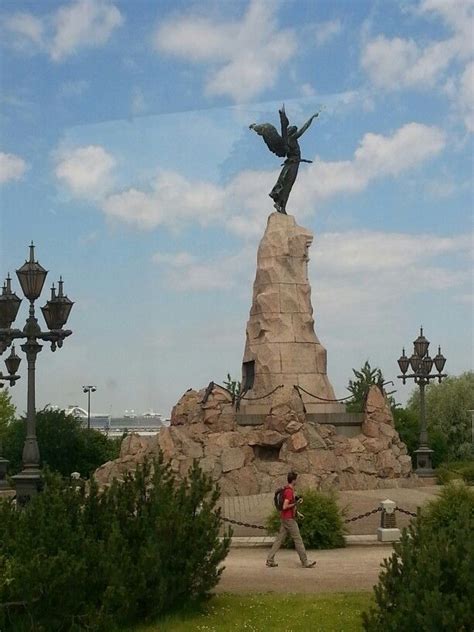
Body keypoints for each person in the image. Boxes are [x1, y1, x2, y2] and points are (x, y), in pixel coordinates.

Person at [266, 471, 316, 568]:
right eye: (296, 479)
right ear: (293, 480)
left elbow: (287, 507)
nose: (297, 481)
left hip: (285, 518)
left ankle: (270, 559)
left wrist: (297, 513)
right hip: (289, 519)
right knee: (298, 540)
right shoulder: (289, 491)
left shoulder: (286, 489)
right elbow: (285, 506)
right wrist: (296, 504)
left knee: (279, 540)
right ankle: (305, 562)